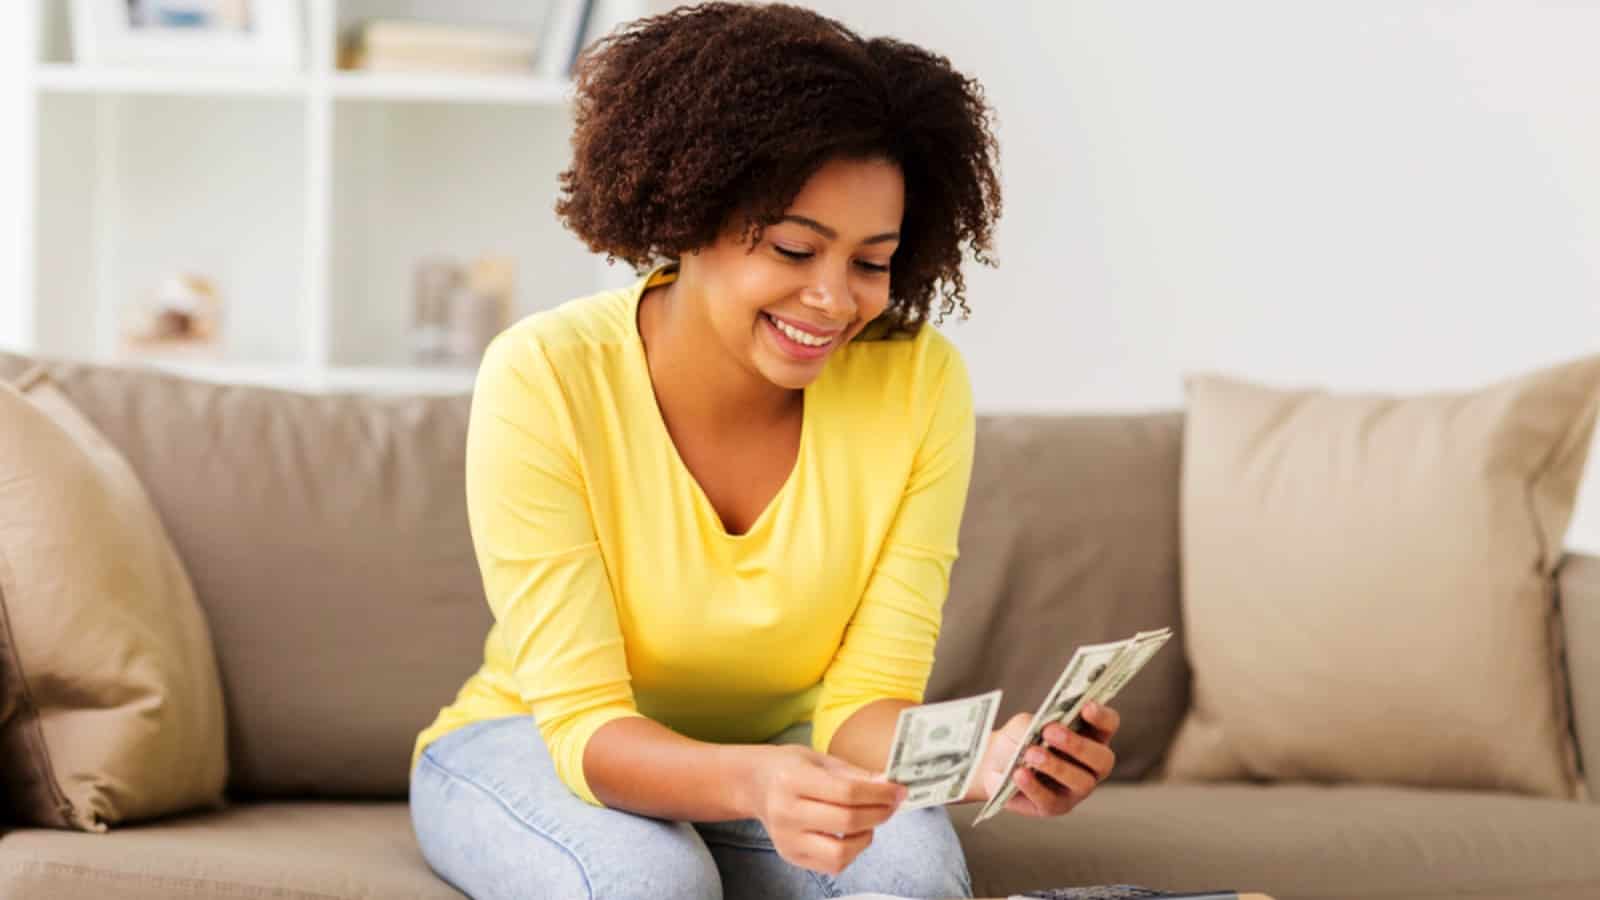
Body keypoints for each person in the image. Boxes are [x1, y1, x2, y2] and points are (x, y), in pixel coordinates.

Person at [408, 4, 1121, 899]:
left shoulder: (918, 383)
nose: (832, 300)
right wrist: (752, 780)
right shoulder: (545, 375)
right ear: (694, 213)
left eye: (871, 262)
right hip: (539, 744)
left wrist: (989, 759)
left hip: (792, 758)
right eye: (793, 247)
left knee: (908, 876)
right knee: (651, 881)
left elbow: (862, 705)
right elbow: (585, 724)